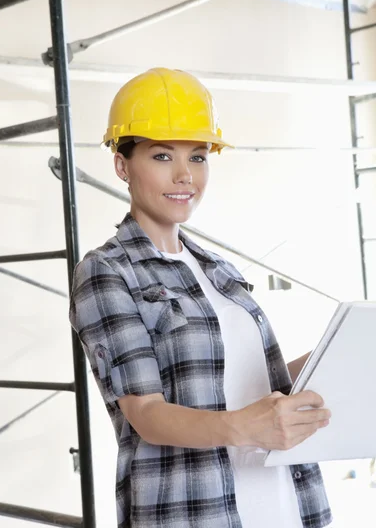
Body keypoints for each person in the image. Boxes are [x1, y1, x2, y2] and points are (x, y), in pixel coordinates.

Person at [69, 68, 333, 528]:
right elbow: (146, 415)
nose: (184, 175)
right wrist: (246, 426)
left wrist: (333, 357)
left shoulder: (218, 269)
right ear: (122, 164)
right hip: (194, 511)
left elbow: (254, 381)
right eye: (161, 155)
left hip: (283, 500)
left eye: (198, 156)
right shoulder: (107, 271)